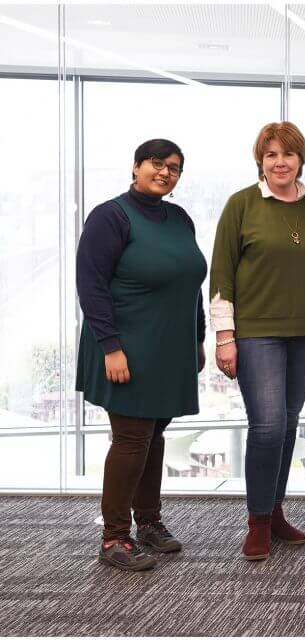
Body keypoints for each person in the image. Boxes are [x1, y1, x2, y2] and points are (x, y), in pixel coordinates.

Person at [209, 121, 305, 561]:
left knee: (287, 423)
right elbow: (222, 273)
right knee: (267, 425)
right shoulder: (242, 205)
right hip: (257, 332)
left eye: (287, 154)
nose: (280, 162)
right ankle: (258, 522)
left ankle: (276, 510)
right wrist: (225, 336)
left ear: (300, 158)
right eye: (271, 155)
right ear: (260, 161)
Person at [76, 138, 207, 571]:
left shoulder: (178, 218)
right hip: (125, 348)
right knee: (132, 439)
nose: (165, 172)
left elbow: (192, 284)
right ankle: (114, 537)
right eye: (156, 163)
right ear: (135, 167)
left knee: (154, 436)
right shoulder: (110, 216)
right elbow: (91, 286)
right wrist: (110, 347)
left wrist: (199, 339)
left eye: (174, 167)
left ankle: (149, 522)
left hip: (170, 349)